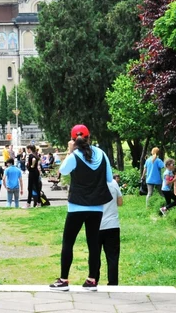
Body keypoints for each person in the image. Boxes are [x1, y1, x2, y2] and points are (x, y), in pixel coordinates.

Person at [49, 124, 112, 292]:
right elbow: (109, 178)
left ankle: (63, 280)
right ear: (89, 137)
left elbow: (62, 170)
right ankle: (92, 280)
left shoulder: (74, 156)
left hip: (77, 205)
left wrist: (70, 152)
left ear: (73, 140)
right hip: (97, 206)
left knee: (68, 242)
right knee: (93, 244)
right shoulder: (102, 154)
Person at [95, 174, 123, 286]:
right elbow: (120, 202)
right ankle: (113, 283)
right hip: (112, 225)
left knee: (94, 255)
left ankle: (93, 279)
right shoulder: (113, 183)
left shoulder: (92, 183)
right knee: (112, 257)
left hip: (95, 225)